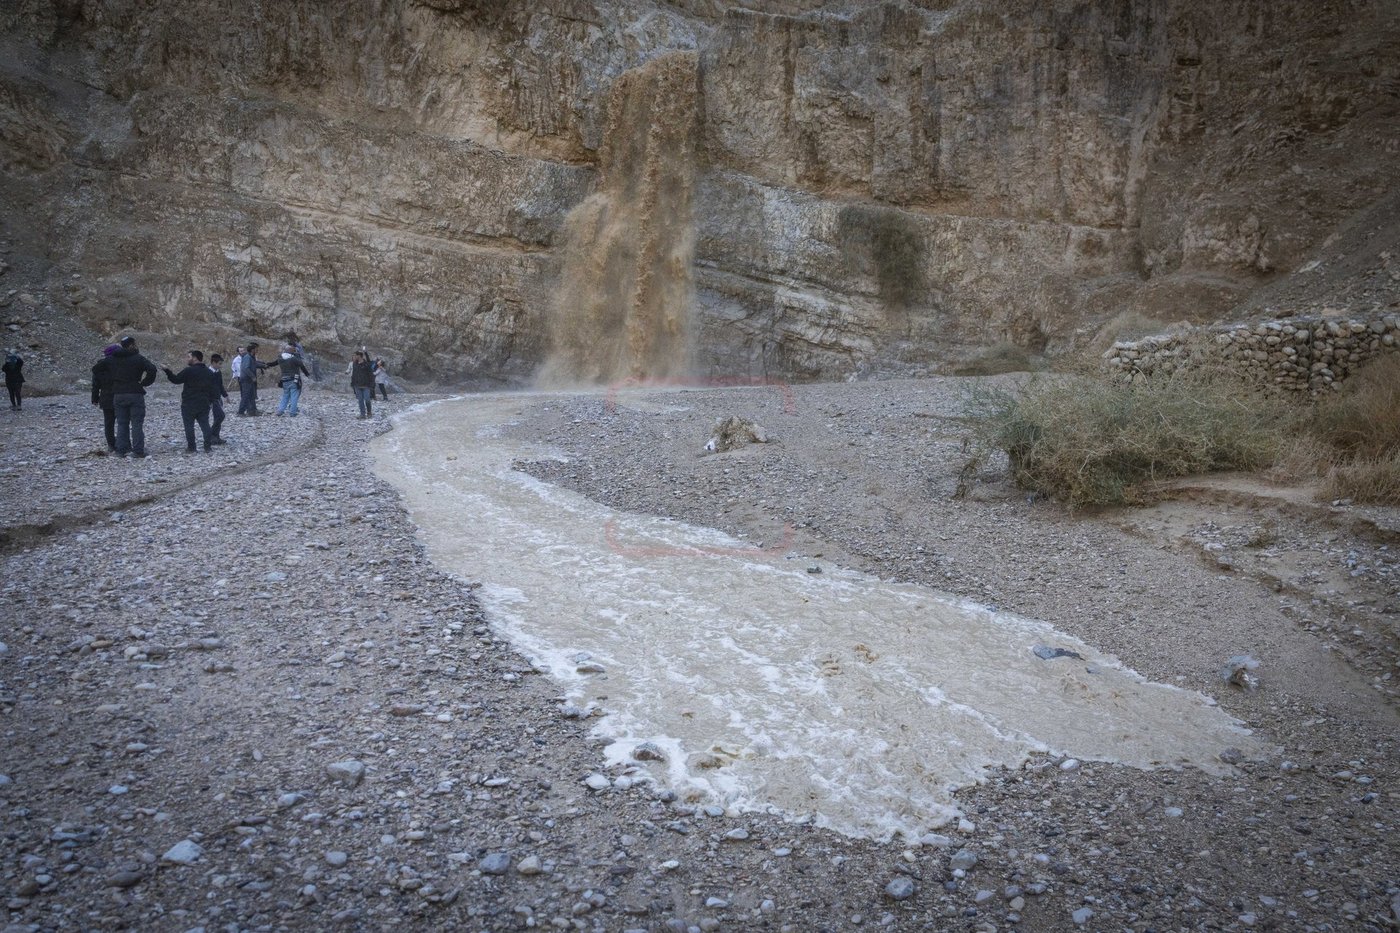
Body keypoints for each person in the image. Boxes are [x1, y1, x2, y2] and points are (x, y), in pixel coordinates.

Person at [108, 336, 158, 457]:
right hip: (135, 393)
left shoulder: (113, 358)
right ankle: (138, 451)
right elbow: (152, 369)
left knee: (121, 423)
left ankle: (121, 450)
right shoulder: (138, 358)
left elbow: (97, 369)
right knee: (136, 423)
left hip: (118, 394)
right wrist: (145, 382)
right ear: (131, 345)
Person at [162, 350, 220, 453]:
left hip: (189, 403)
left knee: (189, 426)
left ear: (195, 358)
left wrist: (167, 371)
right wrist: (210, 401)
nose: (187, 359)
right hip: (204, 403)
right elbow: (214, 389)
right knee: (205, 425)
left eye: (188, 357)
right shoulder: (209, 372)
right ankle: (207, 447)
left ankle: (192, 448)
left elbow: (176, 380)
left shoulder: (189, 371)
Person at [90, 344, 120, 451]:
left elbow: (95, 385)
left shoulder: (99, 366)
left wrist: (94, 398)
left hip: (106, 397)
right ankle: (122, 443)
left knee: (109, 422)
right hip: (120, 395)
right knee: (122, 421)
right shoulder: (120, 364)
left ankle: (111, 444)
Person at [273, 343, 310, 417]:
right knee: (294, 395)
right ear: (290, 351)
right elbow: (301, 364)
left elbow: (274, 363)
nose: (294, 351)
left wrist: (266, 365)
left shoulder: (280, 358)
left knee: (285, 395)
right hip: (294, 379)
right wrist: (307, 374)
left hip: (284, 379)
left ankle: (280, 411)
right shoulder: (293, 359)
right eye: (293, 350)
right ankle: (293, 412)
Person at [237, 342, 268, 416]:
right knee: (246, 396)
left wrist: (264, 366)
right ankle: (241, 412)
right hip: (246, 380)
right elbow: (246, 368)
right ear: (252, 350)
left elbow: (255, 364)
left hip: (249, 380)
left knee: (252, 395)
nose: (257, 350)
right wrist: (253, 377)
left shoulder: (251, 357)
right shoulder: (247, 357)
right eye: (256, 349)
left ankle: (253, 411)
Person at [207, 353, 229, 445]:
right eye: (219, 364)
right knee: (221, 416)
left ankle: (216, 437)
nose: (220, 366)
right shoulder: (207, 372)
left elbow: (220, 385)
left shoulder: (218, 372)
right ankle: (211, 435)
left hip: (218, 397)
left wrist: (225, 395)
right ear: (213, 363)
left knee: (218, 417)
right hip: (211, 399)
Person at [348, 350, 375, 419]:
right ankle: (362, 414)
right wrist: (352, 383)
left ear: (359, 356)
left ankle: (369, 412)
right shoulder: (354, 364)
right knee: (360, 400)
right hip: (357, 385)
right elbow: (354, 374)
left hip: (366, 385)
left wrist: (372, 384)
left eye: (355, 355)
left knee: (367, 399)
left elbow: (371, 375)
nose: (353, 357)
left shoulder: (366, 364)